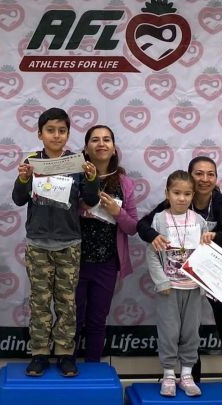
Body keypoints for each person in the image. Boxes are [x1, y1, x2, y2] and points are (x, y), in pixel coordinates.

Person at [137, 156, 222, 404]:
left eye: (210, 174)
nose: (204, 179)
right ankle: (190, 379)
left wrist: (214, 236)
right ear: (190, 177)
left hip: (215, 275)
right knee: (183, 330)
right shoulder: (174, 203)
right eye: (199, 174)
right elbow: (143, 225)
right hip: (179, 279)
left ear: (216, 178)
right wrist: (153, 237)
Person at [12, 107, 99, 377]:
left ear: (68, 134)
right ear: (40, 134)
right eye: (50, 130)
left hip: (69, 242)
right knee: (39, 302)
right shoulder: (31, 162)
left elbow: (92, 200)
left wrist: (92, 178)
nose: (56, 135)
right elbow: (18, 199)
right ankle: (39, 353)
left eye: (62, 131)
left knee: (66, 302)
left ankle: (64, 353)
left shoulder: (77, 162)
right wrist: (24, 178)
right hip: (38, 243)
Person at [75, 125, 138, 362]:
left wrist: (116, 211)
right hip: (74, 262)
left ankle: (93, 368)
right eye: (95, 140)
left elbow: (132, 228)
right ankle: (68, 365)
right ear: (86, 149)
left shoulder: (125, 183)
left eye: (107, 140)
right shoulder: (76, 178)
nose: (101, 144)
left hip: (107, 264)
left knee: (97, 319)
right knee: (72, 318)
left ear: (113, 149)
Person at [144, 170, 209, 397]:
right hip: (168, 290)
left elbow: (207, 254)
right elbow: (152, 254)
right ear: (167, 194)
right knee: (169, 332)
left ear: (193, 196)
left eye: (187, 194)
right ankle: (169, 374)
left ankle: (187, 374)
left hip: (193, 289)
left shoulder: (199, 221)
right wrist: (161, 281)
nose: (182, 198)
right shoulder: (159, 219)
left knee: (191, 332)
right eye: (177, 193)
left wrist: (204, 281)